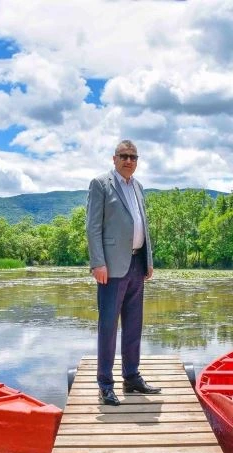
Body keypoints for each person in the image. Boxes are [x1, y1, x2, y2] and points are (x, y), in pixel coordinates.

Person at [86, 140, 161, 406]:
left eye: (133, 157)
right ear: (114, 158)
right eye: (124, 156)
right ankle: (105, 385)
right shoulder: (100, 184)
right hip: (111, 268)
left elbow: (142, 226)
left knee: (133, 325)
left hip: (137, 264)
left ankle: (131, 377)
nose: (129, 160)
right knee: (108, 327)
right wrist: (98, 263)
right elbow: (93, 227)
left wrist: (148, 259)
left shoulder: (138, 186)